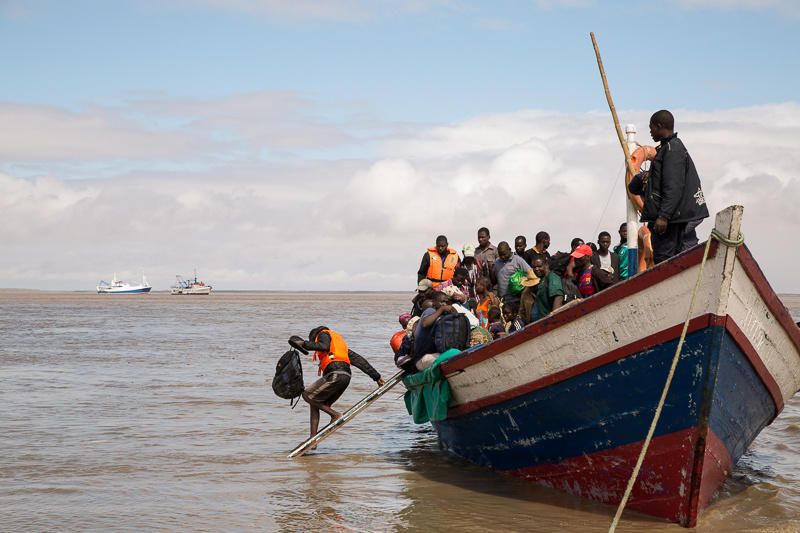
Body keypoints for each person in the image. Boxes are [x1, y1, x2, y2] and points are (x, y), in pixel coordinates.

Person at [628, 109, 709, 264]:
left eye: (651, 127)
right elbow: (634, 189)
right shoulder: (665, 150)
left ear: (659, 126)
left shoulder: (673, 150)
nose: (650, 131)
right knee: (665, 258)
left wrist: (664, 216)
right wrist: (644, 178)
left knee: (667, 260)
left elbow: (674, 186)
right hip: (668, 220)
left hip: (671, 223)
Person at [297, 327, 384, 438]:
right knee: (315, 402)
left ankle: (335, 415)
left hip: (335, 374)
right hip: (345, 377)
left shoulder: (322, 334)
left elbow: (323, 346)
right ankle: (312, 438)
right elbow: (358, 360)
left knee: (307, 394)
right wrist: (376, 376)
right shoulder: (339, 347)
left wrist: (304, 344)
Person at [414, 293, 456, 370]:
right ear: (434, 302)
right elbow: (425, 323)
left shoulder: (438, 315)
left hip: (429, 356)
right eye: (442, 301)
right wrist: (442, 309)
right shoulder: (430, 310)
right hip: (422, 359)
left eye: (446, 302)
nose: (444, 304)